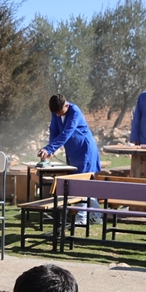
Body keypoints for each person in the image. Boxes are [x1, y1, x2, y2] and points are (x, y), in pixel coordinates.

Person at [43, 94, 102, 224]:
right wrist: (51, 148)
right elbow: (54, 131)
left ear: (66, 105)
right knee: (77, 183)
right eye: (55, 113)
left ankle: (82, 219)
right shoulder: (56, 113)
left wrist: (50, 148)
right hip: (72, 153)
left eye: (60, 112)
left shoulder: (75, 112)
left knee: (83, 184)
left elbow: (66, 133)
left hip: (85, 150)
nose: (58, 115)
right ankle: (97, 216)